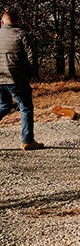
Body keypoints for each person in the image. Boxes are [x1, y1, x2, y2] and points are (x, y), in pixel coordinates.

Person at [0, 8, 42, 150]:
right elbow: (32, 58)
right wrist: (29, 74)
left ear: (2, 22)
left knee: (4, 106)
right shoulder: (22, 34)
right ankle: (27, 141)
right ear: (17, 22)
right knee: (26, 108)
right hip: (16, 78)